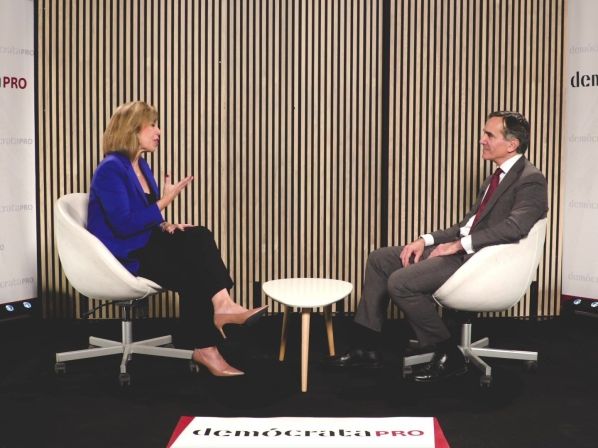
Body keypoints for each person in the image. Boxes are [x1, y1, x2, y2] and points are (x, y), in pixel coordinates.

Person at [326, 111, 548, 382]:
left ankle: (448, 354)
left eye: (489, 135)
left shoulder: (530, 179)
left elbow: (515, 227)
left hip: (478, 264)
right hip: (464, 253)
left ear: (512, 144)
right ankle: (366, 347)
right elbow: (466, 226)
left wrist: (457, 246)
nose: (482, 140)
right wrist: (426, 240)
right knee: (380, 259)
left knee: (401, 283)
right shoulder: (495, 178)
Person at [87, 101, 267, 377]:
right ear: (132, 129)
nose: (158, 131)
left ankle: (221, 311)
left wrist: (166, 225)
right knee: (193, 268)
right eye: (152, 125)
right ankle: (210, 338)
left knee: (198, 235)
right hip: (125, 254)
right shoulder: (110, 169)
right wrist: (164, 202)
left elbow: (143, 215)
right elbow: (123, 225)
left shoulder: (141, 165)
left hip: (146, 242)